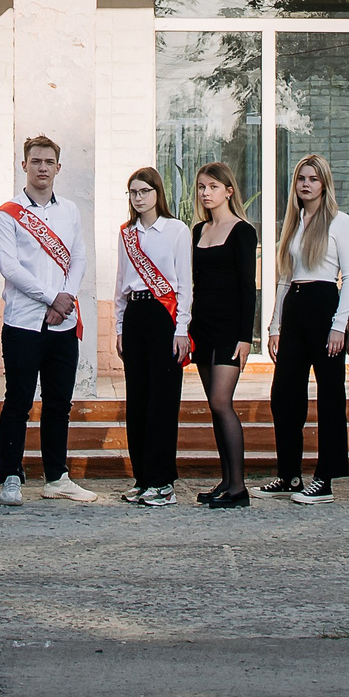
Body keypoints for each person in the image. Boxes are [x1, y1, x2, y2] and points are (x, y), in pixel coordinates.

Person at [0, 133, 99, 505]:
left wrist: (64, 298)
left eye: (48, 162)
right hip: (23, 323)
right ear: (24, 165)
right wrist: (52, 296)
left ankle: (57, 476)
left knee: (58, 403)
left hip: (63, 324)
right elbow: (10, 267)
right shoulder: (7, 213)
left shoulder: (69, 210)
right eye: (35, 161)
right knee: (18, 401)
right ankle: (10, 476)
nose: (42, 167)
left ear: (58, 167)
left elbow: (80, 257)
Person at [263, 153, 349, 503]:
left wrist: (340, 326)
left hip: (324, 305)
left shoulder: (339, 222)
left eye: (313, 179)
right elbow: (285, 278)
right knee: (284, 395)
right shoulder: (295, 222)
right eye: (301, 178)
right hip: (296, 307)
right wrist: (275, 326)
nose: (306, 184)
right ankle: (289, 474)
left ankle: (325, 478)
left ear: (324, 184)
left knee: (330, 394)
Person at [115, 167, 194, 508]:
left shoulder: (176, 230)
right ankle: (143, 477)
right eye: (133, 192)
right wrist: (118, 327)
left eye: (145, 191)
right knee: (138, 400)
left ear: (157, 193)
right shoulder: (126, 234)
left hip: (165, 318)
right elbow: (120, 283)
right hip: (135, 314)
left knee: (163, 400)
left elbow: (186, 284)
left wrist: (182, 329)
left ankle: (162, 481)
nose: (139, 197)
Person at [187, 161, 259, 508]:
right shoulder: (198, 230)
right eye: (202, 187)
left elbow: (248, 287)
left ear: (228, 190)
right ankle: (226, 481)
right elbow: (194, 284)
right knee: (214, 407)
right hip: (203, 326)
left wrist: (246, 337)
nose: (206, 193)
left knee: (221, 401)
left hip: (231, 329)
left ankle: (239, 488)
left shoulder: (243, 230)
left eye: (213, 187)